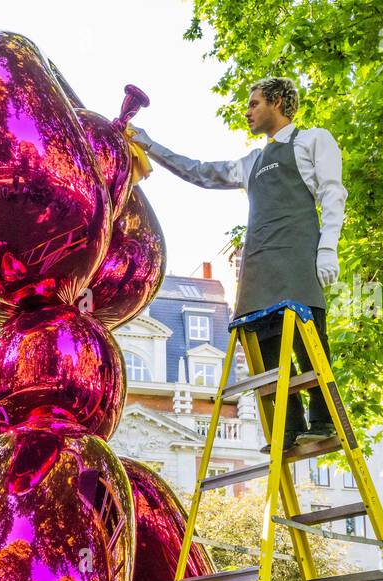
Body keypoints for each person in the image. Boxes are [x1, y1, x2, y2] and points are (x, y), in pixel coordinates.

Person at [129, 76, 348, 452]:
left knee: (306, 344)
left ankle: (323, 421)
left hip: (296, 259)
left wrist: (328, 247)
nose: (247, 112)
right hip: (258, 268)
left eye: (254, 103)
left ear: (279, 102)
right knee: (266, 352)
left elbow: (332, 192)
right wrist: (151, 145)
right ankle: (290, 428)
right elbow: (199, 172)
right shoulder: (252, 161)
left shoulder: (312, 141)